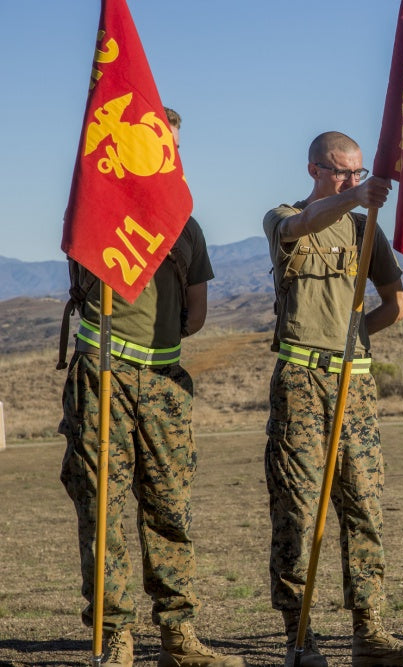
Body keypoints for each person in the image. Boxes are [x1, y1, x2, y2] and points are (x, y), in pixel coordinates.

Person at [59, 107, 244, 667]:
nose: (171, 156)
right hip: (103, 376)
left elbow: (196, 315)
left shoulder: (187, 226)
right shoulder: (97, 213)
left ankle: (177, 635)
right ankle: (113, 633)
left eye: (176, 147)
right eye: (160, 144)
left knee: (169, 509)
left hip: (164, 383)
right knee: (104, 509)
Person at [263, 131, 403, 667]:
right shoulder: (284, 216)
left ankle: (370, 633)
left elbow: (395, 305)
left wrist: (354, 338)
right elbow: (298, 227)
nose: (352, 181)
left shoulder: (366, 229)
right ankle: (299, 637)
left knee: (365, 509)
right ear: (314, 170)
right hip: (302, 381)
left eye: (357, 173)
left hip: (354, 382)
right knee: (299, 512)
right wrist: (351, 199)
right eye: (340, 172)